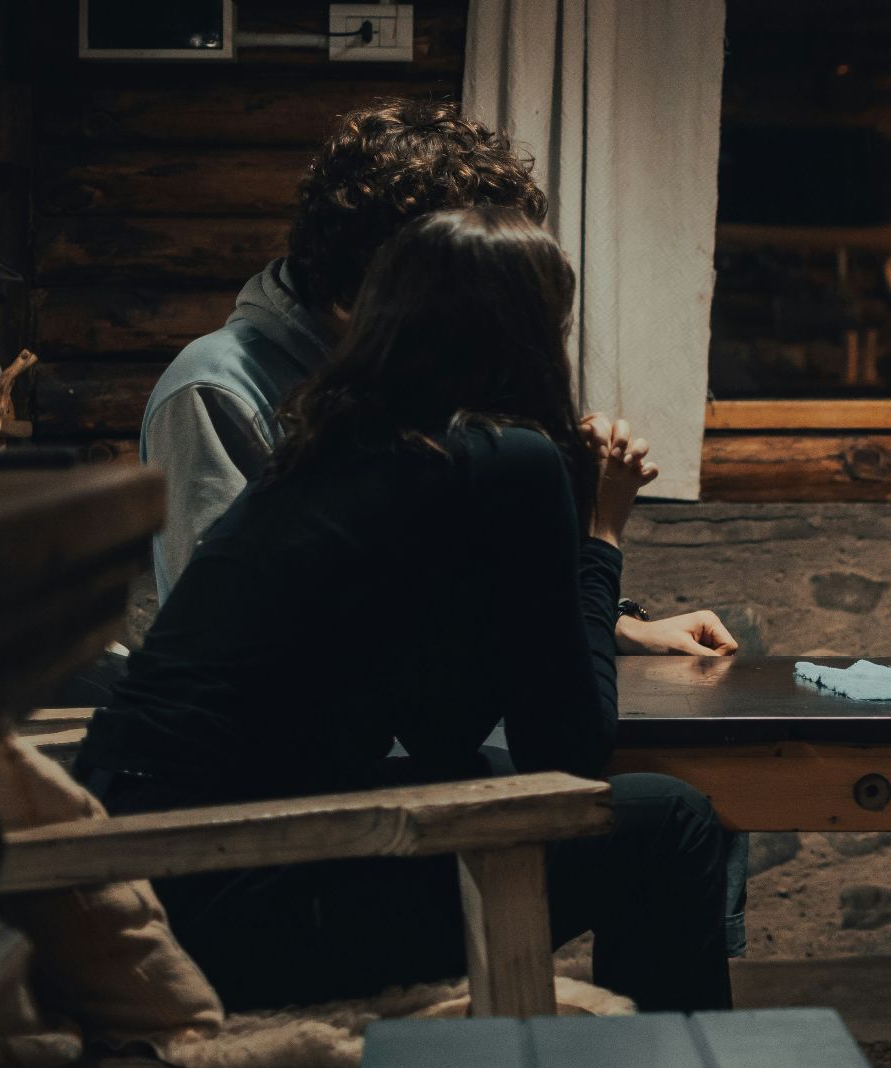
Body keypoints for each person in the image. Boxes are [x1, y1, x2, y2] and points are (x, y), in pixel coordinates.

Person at [75, 208, 732, 1012]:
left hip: (136, 873)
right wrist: (600, 530)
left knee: (570, 796)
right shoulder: (503, 461)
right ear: (530, 337)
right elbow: (569, 751)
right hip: (243, 892)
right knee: (670, 822)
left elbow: (439, 728)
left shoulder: (324, 448)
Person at [141, 97, 735, 659]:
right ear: (397, 279)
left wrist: (609, 621)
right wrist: (592, 537)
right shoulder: (214, 391)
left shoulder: (415, 370)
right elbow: (233, 642)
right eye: (475, 284)